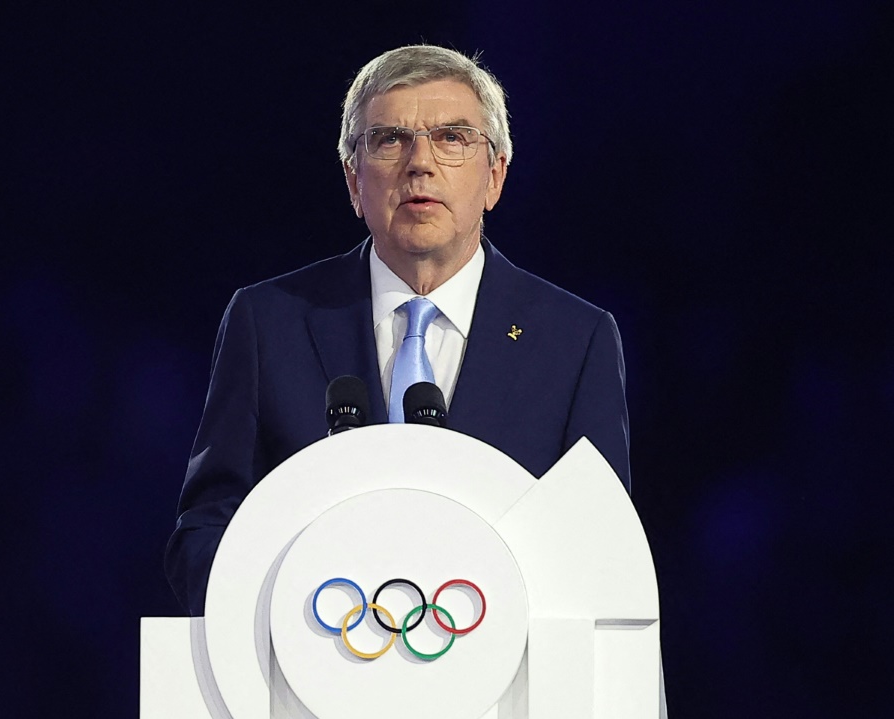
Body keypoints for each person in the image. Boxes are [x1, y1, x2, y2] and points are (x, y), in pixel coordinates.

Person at [166, 44, 630, 617]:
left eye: (452, 138)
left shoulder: (575, 340)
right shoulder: (268, 323)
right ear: (353, 180)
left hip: (509, 694)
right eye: (389, 140)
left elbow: (602, 556)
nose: (420, 163)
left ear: (496, 176)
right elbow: (206, 535)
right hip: (309, 676)